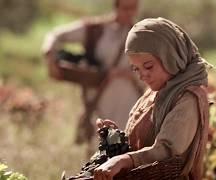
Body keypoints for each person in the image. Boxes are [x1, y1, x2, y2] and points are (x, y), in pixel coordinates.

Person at [93, 17, 211, 180]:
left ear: (171, 56)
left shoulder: (188, 99)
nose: (142, 75)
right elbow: (140, 145)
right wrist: (115, 139)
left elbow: (167, 150)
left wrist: (123, 160)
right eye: (136, 69)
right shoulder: (155, 91)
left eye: (148, 66)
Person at [42, 0, 143, 144]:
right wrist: (50, 58)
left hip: (128, 103)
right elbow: (55, 35)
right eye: (125, 8)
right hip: (98, 98)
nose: (130, 13)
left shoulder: (142, 34)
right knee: (98, 150)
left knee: (125, 149)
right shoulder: (96, 29)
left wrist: (128, 74)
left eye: (133, 8)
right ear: (116, 6)